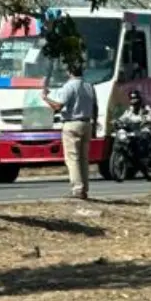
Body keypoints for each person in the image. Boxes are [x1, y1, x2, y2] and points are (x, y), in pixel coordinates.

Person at [42, 62, 97, 199]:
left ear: (69, 73)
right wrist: (94, 124)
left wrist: (45, 98)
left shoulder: (69, 86)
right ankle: (84, 187)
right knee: (84, 158)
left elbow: (58, 106)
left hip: (72, 123)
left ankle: (78, 189)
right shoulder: (89, 86)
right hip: (87, 122)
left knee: (72, 158)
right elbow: (95, 106)